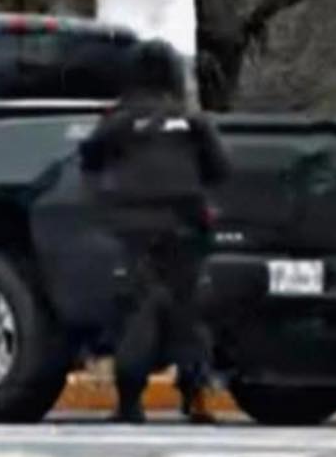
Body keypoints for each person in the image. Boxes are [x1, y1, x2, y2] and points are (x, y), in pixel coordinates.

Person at [79, 41, 231, 425]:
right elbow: (220, 168)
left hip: (131, 230)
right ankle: (196, 394)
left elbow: (89, 155)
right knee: (187, 314)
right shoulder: (191, 122)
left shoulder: (121, 120)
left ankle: (130, 401)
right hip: (184, 228)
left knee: (137, 312)